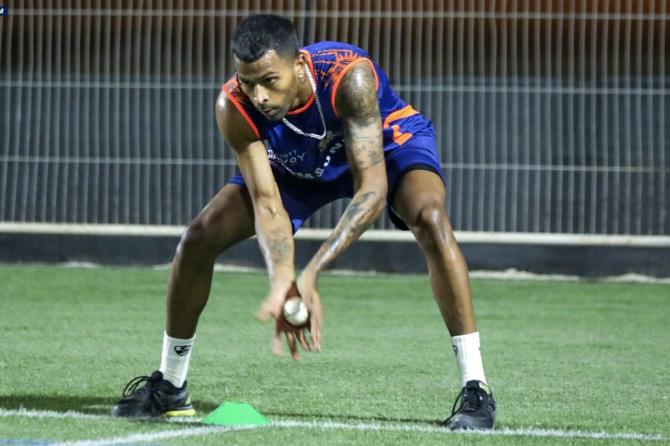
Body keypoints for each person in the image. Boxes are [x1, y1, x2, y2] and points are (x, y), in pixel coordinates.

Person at [111, 14, 496, 430]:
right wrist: (282, 281)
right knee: (198, 237)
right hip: (294, 162)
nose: (258, 95)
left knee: (430, 216)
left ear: (298, 66)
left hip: (381, 146)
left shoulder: (350, 77)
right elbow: (266, 203)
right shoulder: (233, 106)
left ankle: (476, 389)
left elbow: (372, 190)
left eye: (269, 81)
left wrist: (310, 274)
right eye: (248, 81)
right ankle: (170, 385)